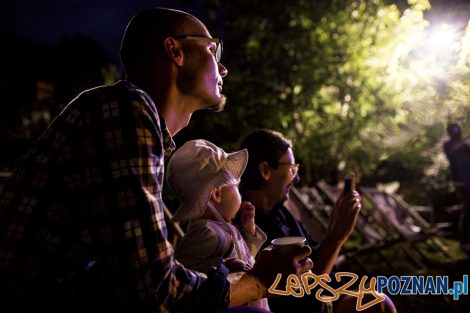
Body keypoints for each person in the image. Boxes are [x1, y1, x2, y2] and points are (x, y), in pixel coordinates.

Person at [0, 8, 312, 313]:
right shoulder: (124, 111)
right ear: (174, 50)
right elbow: (154, 291)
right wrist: (257, 282)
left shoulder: (139, 128)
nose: (224, 68)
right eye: (213, 50)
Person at [238, 129, 397, 313]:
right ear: (266, 170)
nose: (296, 178)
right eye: (292, 168)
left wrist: (335, 227)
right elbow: (304, 294)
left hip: (325, 297)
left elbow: (315, 262)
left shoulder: (279, 212)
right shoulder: (249, 227)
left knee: (377, 301)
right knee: (378, 303)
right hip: (305, 307)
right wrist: (337, 236)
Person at [166, 139, 269, 310]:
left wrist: (249, 229)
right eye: (236, 187)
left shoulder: (223, 228)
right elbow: (185, 268)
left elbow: (245, 259)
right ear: (217, 193)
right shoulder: (205, 232)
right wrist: (223, 267)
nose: (240, 194)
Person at [443, 123, 470, 253]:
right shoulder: (448, 145)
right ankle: (465, 241)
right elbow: (451, 153)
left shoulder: (465, 146)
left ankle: (465, 240)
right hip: (461, 182)